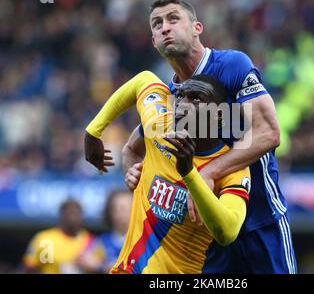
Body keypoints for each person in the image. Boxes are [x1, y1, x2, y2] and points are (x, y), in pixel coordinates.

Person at [122, 0, 297, 273]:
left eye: (173, 18)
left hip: (260, 221)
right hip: (203, 234)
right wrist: (135, 174)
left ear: (197, 28)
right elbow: (132, 148)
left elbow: (269, 133)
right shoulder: (169, 97)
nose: (164, 27)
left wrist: (208, 173)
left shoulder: (231, 66)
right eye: (156, 24)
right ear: (153, 41)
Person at [84, 71, 250, 273]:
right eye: (180, 96)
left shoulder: (232, 168)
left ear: (220, 114)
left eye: (196, 98)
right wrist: (93, 132)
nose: (182, 104)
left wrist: (189, 173)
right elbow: (143, 80)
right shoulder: (161, 125)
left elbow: (227, 232)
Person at [22, 199, 95, 274]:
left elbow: (101, 266)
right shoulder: (46, 240)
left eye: (76, 213)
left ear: (82, 216)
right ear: (62, 215)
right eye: (69, 213)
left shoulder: (90, 241)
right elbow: (30, 267)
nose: (73, 218)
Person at [76, 189, 133, 273]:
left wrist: (103, 266)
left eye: (125, 208)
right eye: (116, 209)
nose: (121, 213)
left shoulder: (142, 241)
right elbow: (83, 260)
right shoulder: (101, 242)